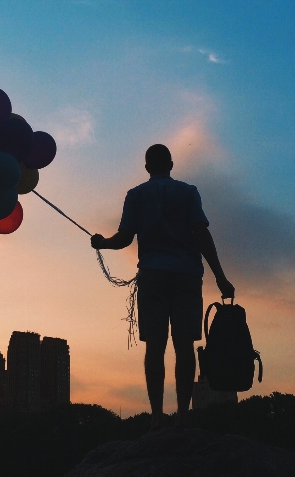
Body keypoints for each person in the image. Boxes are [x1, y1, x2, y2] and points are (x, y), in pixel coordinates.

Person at [91, 144, 234, 430]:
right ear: (170, 163)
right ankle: (182, 416)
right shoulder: (189, 192)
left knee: (155, 347)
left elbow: (125, 238)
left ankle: (157, 418)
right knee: (185, 346)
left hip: (153, 275)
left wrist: (103, 243)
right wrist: (220, 275)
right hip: (187, 275)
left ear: (147, 168)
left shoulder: (136, 195)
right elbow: (201, 232)